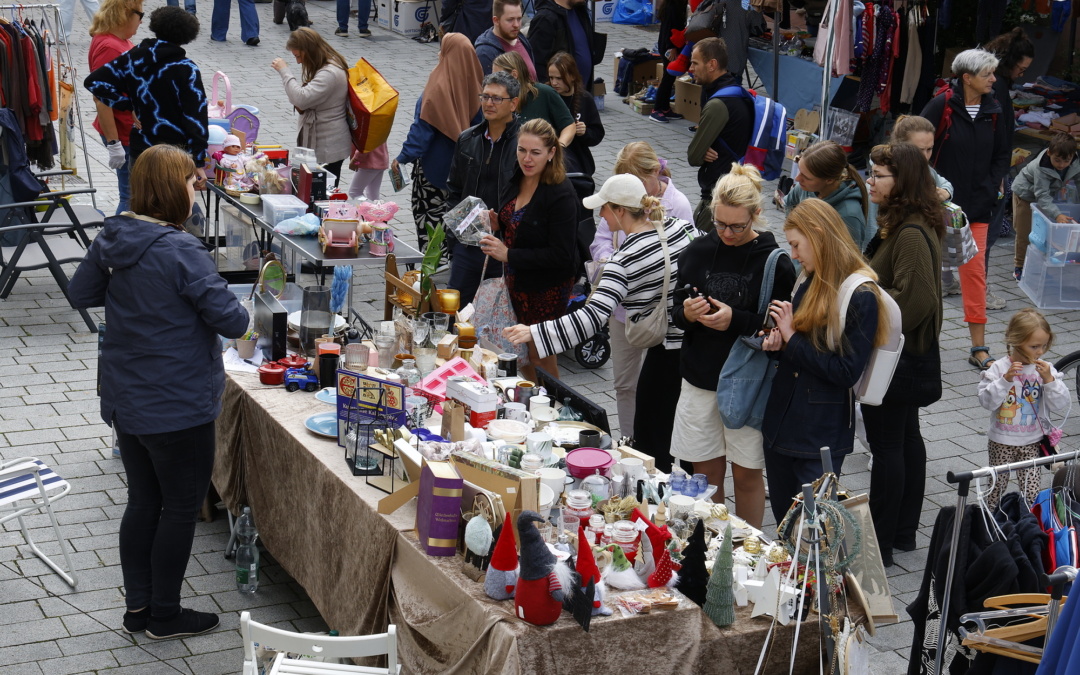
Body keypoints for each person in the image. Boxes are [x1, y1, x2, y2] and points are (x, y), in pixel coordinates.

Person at [67, 144, 249, 640]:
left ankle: (138, 610)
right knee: (176, 507)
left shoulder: (116, 235)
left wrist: (136, 298)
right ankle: (164, 615)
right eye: (193, 183)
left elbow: (80, 293)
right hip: (176, 404)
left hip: (127, 400)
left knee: (143, 502)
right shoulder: (180, 249)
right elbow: (233, 319)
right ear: (174, 191)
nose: (197, 191)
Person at [506, 174, 694, 463]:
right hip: (694, 343)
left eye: (604, 208)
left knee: (652, 435)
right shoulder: (680, 228)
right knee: (687, 434)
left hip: (666, 351)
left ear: (619, 211)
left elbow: (591, 317)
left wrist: (535, 332)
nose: (601, 215)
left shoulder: (624, 260)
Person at [670, 164, 797, 528]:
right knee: (706, 478)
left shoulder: (776, 262)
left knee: (746, 475)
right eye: (720, 224)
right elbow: (676, 311)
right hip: (699, 379)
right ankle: (714, 548)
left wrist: (736, 320)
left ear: (756, 214)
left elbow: (779, 326)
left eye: (737, 226)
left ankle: (751, 549)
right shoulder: (696, 250)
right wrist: (688, 314)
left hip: (748, 384)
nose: (726, 233)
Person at [761, 199, 889, 525]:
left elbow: (846, 372)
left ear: (817, 234)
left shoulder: (861, 294)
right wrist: (777, 344)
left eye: (796, 244)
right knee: (785, 528)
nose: (793, 254)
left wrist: (791, 338)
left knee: (814, 537)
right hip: (782, 426)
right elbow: (798, 347)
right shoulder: (808, 277)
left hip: (819, 435)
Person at [863, 142, 945, 567]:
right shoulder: (905, 222)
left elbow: (917, 302)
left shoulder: (910, 232)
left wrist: (866, 298)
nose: (869, 181)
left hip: (897, 355)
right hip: (904, 354)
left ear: (903, 182)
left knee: (888, 445)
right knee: (905, 437)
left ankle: (881, 542)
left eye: (878, 175)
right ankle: (904, 532)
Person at [590, 142, 692, 443]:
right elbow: (600, 239)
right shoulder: (619, 198)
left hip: (662, 312)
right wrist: (610, 260)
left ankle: (662, 439)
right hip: (622, 310)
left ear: (654, 172)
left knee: (661, 384)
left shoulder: (679, 204)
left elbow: (686, 259)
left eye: (636, 179)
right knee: (625, 383)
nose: (632, 187)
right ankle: (630, 440)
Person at [921, 49, 1010, 371]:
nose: (994, 79)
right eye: (988, 74)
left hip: (978, 209)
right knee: (927, 271)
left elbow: (1003, 152)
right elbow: (914, 150)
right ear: (967, 77)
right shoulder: (940, 105)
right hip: (938, 208)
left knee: (975, 277)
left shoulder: (996, 108)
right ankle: (919, 338)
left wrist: (991, 186)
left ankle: (979, 347)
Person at [477, 118, 578, 381]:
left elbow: (562, 255)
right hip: (517, 281)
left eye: (535, 152)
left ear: (551, 153)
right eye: (522, 150)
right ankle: (530, 400)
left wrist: (507, 254)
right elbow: (517, 221)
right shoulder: (516, 176)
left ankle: (552, 406)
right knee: (521, 353)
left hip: (546, 287)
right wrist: (500, 222)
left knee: (540, 355)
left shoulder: (561, 193)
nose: (527, 159)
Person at [85, 6, 208, 178]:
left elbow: (95, 82)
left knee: (142, 201)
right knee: (177, 203)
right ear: (187, 35)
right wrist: (198, 160)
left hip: (141, 149)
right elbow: (195, 116)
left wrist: (129, 104)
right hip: (173, 154)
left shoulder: (135, 57)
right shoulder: (186, 68)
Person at [394, 33, 484, 249]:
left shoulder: (436, 89)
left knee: (430, 222)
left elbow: (421, 133)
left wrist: (402, 158)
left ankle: (434, 263)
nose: (437, 53)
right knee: (458, 222)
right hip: (465, 172)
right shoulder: (480, 89)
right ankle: (456, 261)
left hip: (433, 172)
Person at [978, 309, 1069, 509]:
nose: (1040, 352)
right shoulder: (1000, 368)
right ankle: (987, 522)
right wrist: (1005, 381)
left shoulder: (1045, 369)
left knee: (1031, 492)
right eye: (1034, 346)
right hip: (1001, 440)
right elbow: (986, 401)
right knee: (995, 488)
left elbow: (1060, 403)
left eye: (1044, 346)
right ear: (1016, 341)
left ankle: (1030, 526)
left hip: (1032, 441)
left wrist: (1049, 381)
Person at [445, 71, 522, 305]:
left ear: (514, 103)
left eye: (497, 98)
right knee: (455, 311)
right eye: (485, 96)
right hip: (468, 245)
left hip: (506, 246)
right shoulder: (468, 139)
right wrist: (455, 238)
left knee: (500, 315)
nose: (489, 103)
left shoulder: (525, 143)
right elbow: (454, 190)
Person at [686, 37, 753, 232]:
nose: (690, 68)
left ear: (712, 65)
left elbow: (693, 156)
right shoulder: (735, 91)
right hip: (733, 190)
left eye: (695, 63)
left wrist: (703, 146)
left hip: (719, 196)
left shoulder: (718, 104)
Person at [270, 28, 352, 188]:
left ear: (308, 50)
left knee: (321, 193)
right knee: (313, 192)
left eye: (298, 56)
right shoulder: (327, 65)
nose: (298, 62)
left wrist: (284, 71)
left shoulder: (329, 73)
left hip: (327, 146)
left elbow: (300, 98)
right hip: (322, 143)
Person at [984, 27, 1036, 278]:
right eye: (1021, 69)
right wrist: (1001, 173)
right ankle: (979, 285)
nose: (1022, 74)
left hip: (994, 167)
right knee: (988, 231)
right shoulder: (997, 88)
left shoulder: (1000, 86)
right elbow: (995, 135)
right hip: (992, 169)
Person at [884, 115, 956, 293]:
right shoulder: (886, 177)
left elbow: (945, 183)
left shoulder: (927, 171)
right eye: (919, 150)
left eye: (929, 149)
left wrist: (945, 192)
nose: (925, 157)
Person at [87, 0, 142, 216]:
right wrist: (113, 143)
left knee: (133, 194)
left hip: (128, 128)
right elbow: (102, 99)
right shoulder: (110, 47)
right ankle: (120, 244)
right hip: (123, 131)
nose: (140, 23)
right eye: (140, 16)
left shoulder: (117, 40)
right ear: (126, 14)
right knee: (131, 197)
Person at [1012, 133, 1080, 280]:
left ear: (1073, 155)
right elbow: (1041, 195)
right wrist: (1057, 214)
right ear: (1049, 153)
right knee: (1025, 233)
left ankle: (1040, 265)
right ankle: (1020, 266)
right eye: (1057, 160)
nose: (1061, 165)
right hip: (1025, 195)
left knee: (1044, 234)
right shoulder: (1041, 167)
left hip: (1046, 195)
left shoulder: (1075, 161)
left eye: (1066, 161)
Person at [783, 140, 870, 251]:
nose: (797, 178)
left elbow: (849, 260)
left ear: (829, 180)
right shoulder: (804, 188)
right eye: (799, 171)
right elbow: (789, 203)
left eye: (806, 177)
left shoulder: (849, 215)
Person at [546, 52, 604, 202]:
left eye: (559, 78)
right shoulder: (546, 96)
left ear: (572, 76)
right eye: (551, 78)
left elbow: (597, 134)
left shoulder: (584, 99)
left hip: (578, 163)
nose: (554, 83)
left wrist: (585, 132)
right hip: (550, 163)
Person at [492, 51, 576, 149]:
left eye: (499, 76)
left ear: (514, 74)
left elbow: (569, 125)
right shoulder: (494, 99)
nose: (495, 81)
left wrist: (559, 147)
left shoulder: (544, 93)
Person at [528, 0, 601, 87]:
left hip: (580, 92)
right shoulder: (546, 18)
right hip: (560, 95)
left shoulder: (579, 11)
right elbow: (536, 63)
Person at [474, 0, 534, 76]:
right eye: (510, 20)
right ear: (496, 20)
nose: (516, 25)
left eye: (519, 19)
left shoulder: (521, 38)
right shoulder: (485, 53)